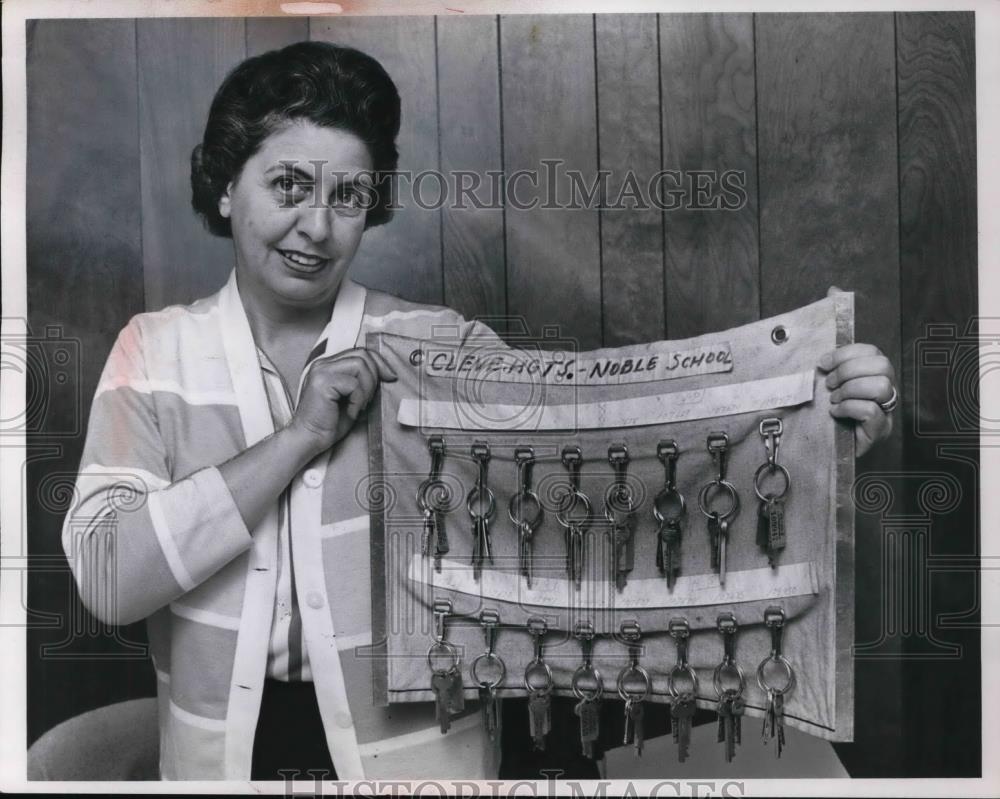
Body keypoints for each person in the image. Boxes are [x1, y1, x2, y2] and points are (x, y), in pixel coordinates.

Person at [60, 40, 897, 782]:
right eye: (289, 184)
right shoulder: (154, 349)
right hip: (215, 766)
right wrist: (301, 437)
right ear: (225, 187)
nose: (316, 225)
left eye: (349, 196)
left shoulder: (439, 345)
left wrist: (817, 420)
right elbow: (108, 577)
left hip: (425, 762)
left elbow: (623, 484)